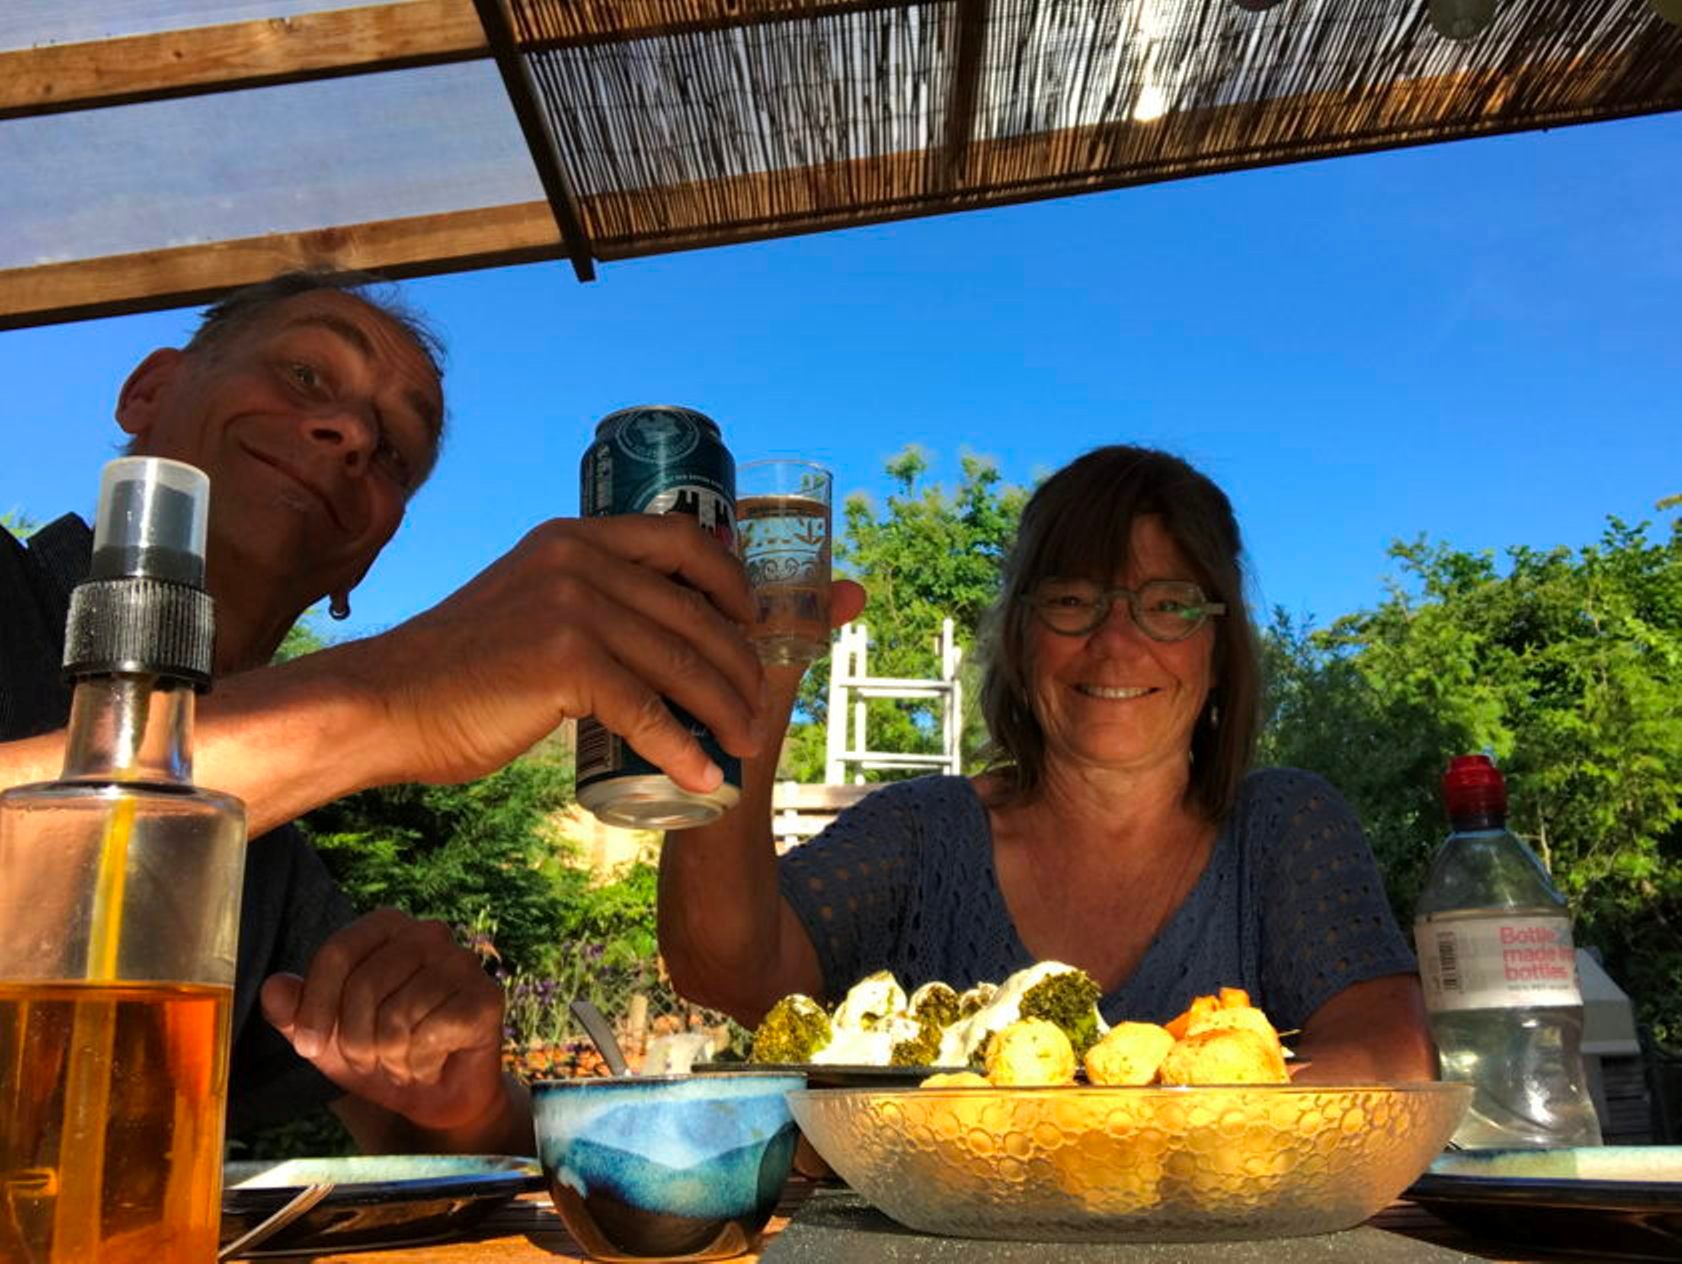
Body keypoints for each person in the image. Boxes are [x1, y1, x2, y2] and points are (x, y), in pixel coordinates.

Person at [1, 270, 767, 1150]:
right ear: (151, 390)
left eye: (396, 450)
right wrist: (378, 701)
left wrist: (460, 1097)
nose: (354, 432)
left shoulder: (264, 860)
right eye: (305, 376)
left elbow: (460, 1138)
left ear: (364, 560)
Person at [657, 444, 1436, 1082]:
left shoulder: (1281, 826)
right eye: (1071, 600)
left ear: (1218, 648)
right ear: (1021, 640)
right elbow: (727, 970)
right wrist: (747, 690)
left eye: (1168, 604)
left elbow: (1391, 1055)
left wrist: (1149, 1119)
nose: (1117, 641)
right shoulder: (926, 832)